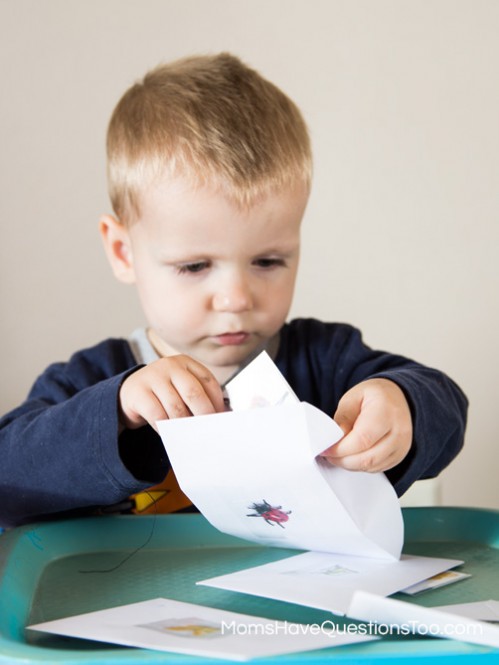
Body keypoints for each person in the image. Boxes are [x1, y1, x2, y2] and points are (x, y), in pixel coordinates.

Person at [0, 53, 467, 527]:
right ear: (124, 252)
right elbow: (7, 478)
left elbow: (446, 404)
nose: (236, 299)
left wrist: (402, 404)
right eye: (195, 266)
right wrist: (116, 412)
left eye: (267, 261)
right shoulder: (90, 379)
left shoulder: (326, 360)